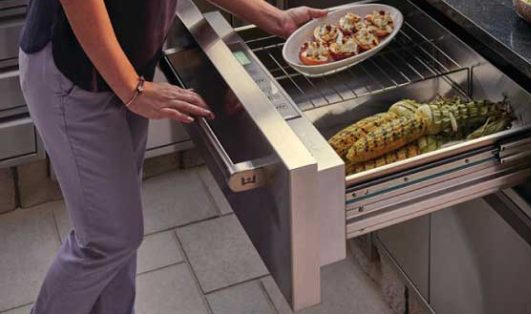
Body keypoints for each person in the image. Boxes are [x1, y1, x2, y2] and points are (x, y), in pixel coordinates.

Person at [19, 0, 325, 313]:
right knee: (109, 239)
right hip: (75, 73)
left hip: (124, 66)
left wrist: (277, 20)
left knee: (115, 235)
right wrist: (132, 89)